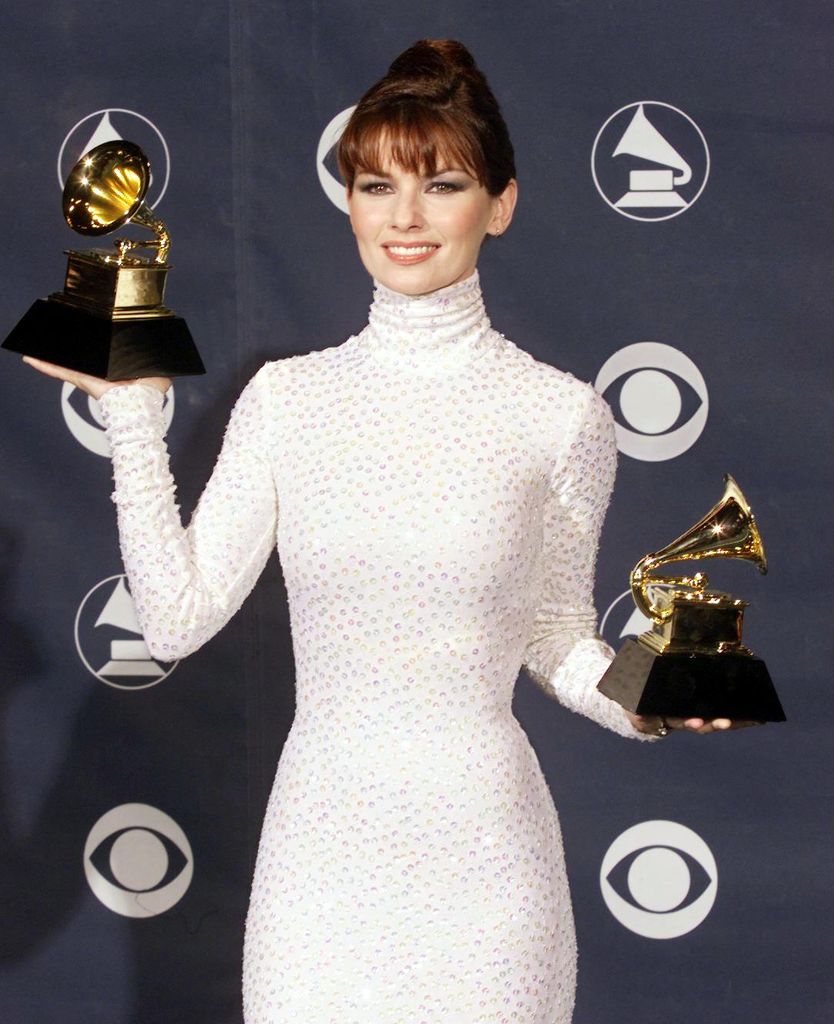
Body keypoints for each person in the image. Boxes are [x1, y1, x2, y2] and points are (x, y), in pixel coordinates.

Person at [24, 38, 748, 1024]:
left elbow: (554, 638)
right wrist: (133, 418)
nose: (405, 217)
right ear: (352, 202)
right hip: (321, 872)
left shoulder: (562, 415)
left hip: (490, 874)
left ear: (500, 203)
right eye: (376, 184)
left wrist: (654, 692)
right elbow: (174, 619)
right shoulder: (289, 401)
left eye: (441, 183)